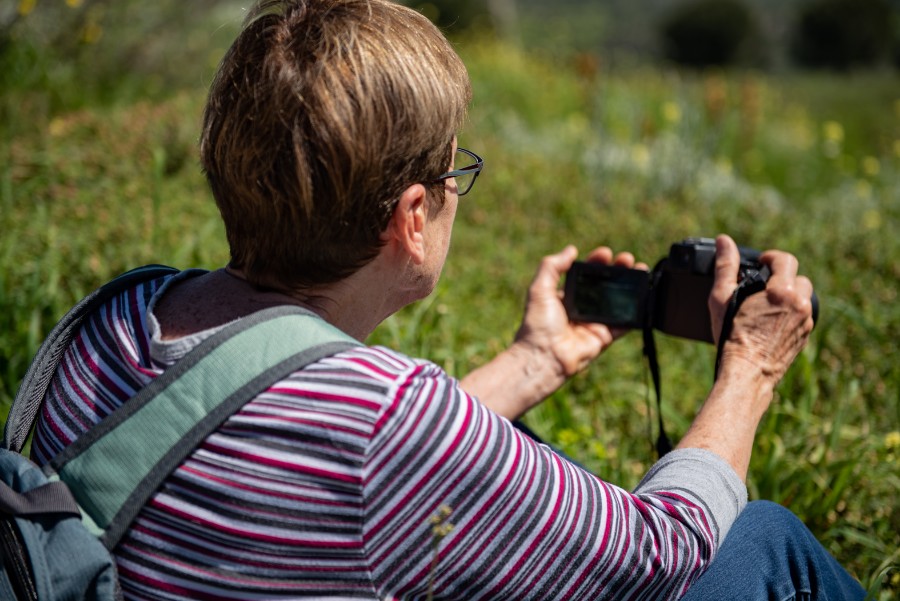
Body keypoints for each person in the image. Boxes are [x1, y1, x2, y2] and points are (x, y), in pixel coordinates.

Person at [29, 0, 865, 599]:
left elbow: (301, 447)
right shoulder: (392, 423)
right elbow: (665, 554)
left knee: (517, 439)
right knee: (766, 540)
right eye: (454, 171)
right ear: (413, 216)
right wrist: (750, 366)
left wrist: (533, 361)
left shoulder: (111, 315)